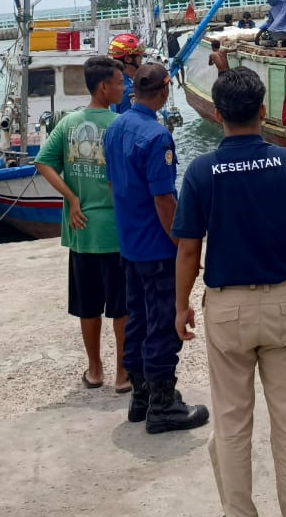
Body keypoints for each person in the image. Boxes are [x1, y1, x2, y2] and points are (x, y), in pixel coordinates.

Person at [174, 67, 286, 517]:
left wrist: (181, 303)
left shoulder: (202, 172)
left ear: (218, 114)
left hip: (227, 308)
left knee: (233, 423)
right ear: (263, 110)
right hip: (281, 301)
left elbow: (187, 249)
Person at [102, 62, 209, 434]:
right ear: (164, 90)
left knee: (138, 320)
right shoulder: (157, 136)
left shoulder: (115, 128)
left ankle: (141, 397)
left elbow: (115, 185)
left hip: (130, 243)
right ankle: (164, 405)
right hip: (158, 247)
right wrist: (184, 244)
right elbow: (164, 200)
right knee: (163, 323)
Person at [35, 56, 130, 393]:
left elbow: (43, 163)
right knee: (122, 308)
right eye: (119, 82)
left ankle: (95, 369)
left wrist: (72, 198)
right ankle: (123, 373)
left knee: (88, 306)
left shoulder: (68, 123)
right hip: (117, 231)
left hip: (81, 230)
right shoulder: (121, 125)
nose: (123, 86)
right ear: (104, 87)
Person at [108, 32, 143, 113]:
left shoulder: (114, 81)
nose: (141, 58)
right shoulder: (129, 91)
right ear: (128, 59)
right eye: (139, 56)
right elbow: (131, 123)